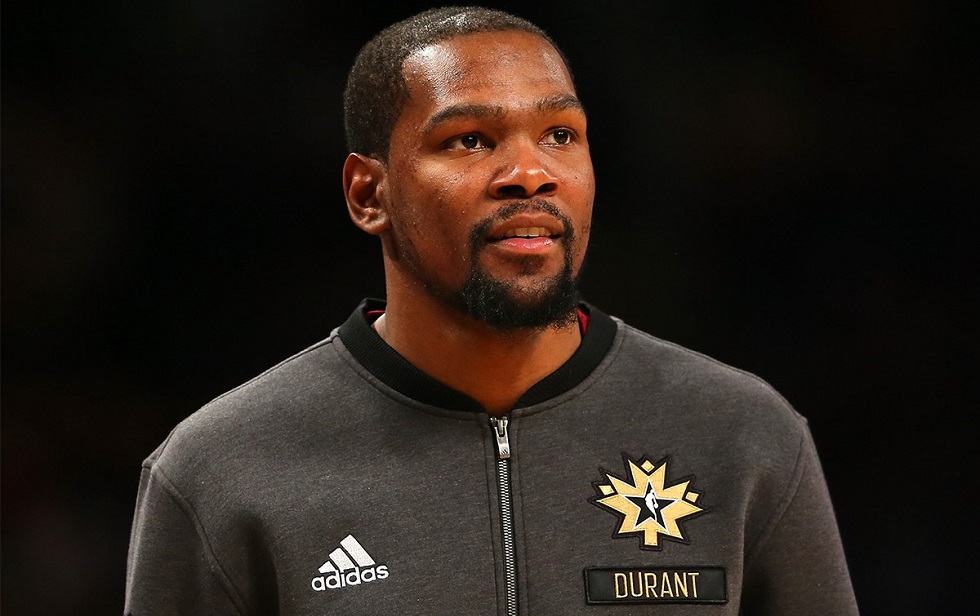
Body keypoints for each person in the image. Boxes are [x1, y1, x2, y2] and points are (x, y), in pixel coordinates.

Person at [124, 6, 859, 615]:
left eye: (560, 135)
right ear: (369, 194)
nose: (530, 174)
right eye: (470, 140)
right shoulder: (224, 469)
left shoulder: (742, 435)